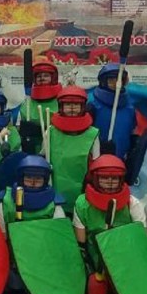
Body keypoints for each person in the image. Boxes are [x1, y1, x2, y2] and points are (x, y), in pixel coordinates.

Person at [73, 155, 147, 294]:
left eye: (114, 178)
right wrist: (90, 270)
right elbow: (81, 244)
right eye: (105, 178)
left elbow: (139, 239)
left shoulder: (132, 203)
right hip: (94, 258)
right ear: (95, 178)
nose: (110, 182)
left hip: (123, 259)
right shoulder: (82, 203)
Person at [0, 155, 65, 294]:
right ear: (21, 178)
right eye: (29, 178)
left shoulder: (54, 205)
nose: (33, 182)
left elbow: (58, 240)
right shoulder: (6, 202)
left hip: (44, 263)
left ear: (45, 180)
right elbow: (1, 238)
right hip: (16, 263)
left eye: (38, 179)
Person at [49, 86, 100, 215]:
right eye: (68, 104)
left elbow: (96, 163)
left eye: (76, 105)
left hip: (82, 190)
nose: (72, 108)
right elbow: (43, 157)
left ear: (83, 107)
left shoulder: (93, 134)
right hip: (56, 190)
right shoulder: (50, 131)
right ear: (61, 107)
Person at [89, 63, 138, 161]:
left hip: (122, 159)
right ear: (103, 82)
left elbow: (131, 131)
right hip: (97, 158)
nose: (116, 83)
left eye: (119, 80)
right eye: (111, 80)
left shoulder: (129, 108)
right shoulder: (93, 105)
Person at [18, 59, 61, 154]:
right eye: (39, 76)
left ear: (53, 78)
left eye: (46, 76)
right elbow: (18, 128)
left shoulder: (61, 100)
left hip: (55, 146)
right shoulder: (27, 103)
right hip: (33, 147)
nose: (42, 78)